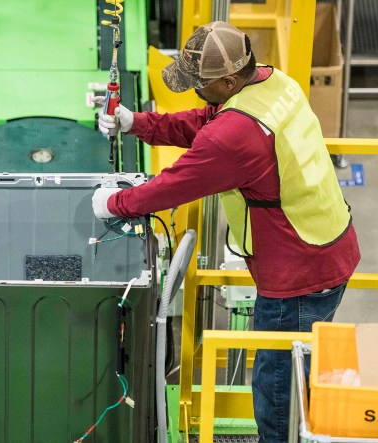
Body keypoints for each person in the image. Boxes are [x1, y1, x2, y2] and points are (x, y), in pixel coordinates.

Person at [92, 22, 360, 443]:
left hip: (299, 275)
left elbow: (179, 181)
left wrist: (115, 203)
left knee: (277, 388)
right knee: (294, 373)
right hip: (329, 243)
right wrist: (138, 123)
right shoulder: (274, 83)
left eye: (199, 84)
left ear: (230, 80)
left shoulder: (238, 134)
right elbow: (209, 123)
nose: (195, 91)